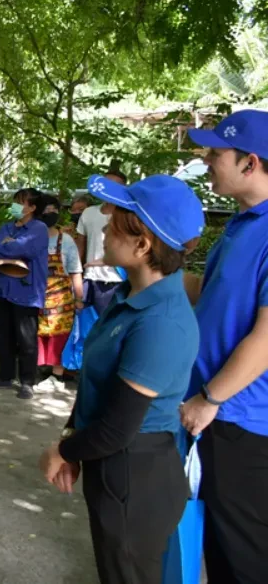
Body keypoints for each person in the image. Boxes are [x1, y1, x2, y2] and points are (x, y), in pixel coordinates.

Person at [39, 173, 204, 584]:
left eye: (116, 221)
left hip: (136, 474)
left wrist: (66, 449)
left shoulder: (161, 321)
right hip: (114, 467)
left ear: (143, 245)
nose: (105, 225)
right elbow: (97, 382)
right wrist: (74, 434)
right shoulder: (129, 298)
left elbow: (117, 428)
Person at [179, 110, 268, 583]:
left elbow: (267, 336)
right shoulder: (243, 225)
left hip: (243, 421)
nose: (207, 161)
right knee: (217, 545)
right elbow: (213, 294)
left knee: (243, 555)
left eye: (216, 153)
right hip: (218, 416)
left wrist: (210, 398)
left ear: (250, 163)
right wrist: (153, 269)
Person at [0, 189, 49, 399]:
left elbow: (24, 249)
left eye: (21, 203)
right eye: (15, 202)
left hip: (26, 292)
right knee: (2, 337)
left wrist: (4, 247)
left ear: (32, 207)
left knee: (26, 339)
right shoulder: (6, 227)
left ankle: (27, 382)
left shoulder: (39, 228)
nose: (16, 207)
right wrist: (4, 247)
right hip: (4, 290)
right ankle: (5, 377)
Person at [34, 194, 84, 393]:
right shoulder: (32, 237)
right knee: (37, 335)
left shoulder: (67, 240)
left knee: (60, 335)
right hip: (36, 295)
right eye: (47, 210)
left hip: (62, 297)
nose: (50, 214)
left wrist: (79, 298)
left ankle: (57, 375)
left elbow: (75, 270)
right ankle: (38, 371)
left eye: (54, 210)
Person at [76, 169, 128, 314]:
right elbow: (81, 244)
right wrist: (76, 274)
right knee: (84, 325)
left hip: (115, 279)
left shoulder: (127, 217)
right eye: (105, 183)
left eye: (113, 185)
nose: (108, 188)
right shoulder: (89, 212)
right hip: (88, 277)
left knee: (108, 324)